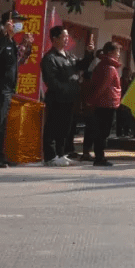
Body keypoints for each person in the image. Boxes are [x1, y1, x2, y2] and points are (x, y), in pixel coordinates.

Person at [38, 26, 95, 168]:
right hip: (57, 98)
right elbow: (51, 81)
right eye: (64, 36)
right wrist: (66, 89)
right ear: (55, 39)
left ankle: (61, 154)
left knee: (65, 128)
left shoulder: (69, 56)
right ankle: (50, 156)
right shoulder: (50, 58)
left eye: (67, 36)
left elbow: (82, 65)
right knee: (52, 127)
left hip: (70, 99)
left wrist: (89, 53)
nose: (66, 39)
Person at [0, 12, 32, 167]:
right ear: (7, 24)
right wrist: (5, 37)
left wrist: (26, 46)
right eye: (16, 22)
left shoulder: (11, 42)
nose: (19, 25)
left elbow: (16, 63)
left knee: (2, 124)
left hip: (8, 90)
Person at [83, 42, 122, 167]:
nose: (119, 55)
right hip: (106, 103)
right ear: (110, 52)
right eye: (117, 52)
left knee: (101, 131)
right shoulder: (109, 68)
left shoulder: (104, 65)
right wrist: (93, 100)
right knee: (103, 132)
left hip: (104, 102)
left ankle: (99, 156)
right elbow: (102, 87)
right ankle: (99, 157)